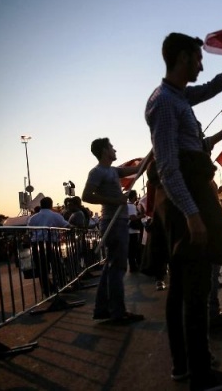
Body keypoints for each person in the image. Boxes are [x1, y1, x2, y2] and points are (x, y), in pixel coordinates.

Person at [145, 32, 222, 390]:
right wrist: (193, 214)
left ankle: (183, 365)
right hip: (187, 199)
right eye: (197, 58)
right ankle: (201, 374)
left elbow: (212, 87)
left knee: (181, 287)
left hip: (189, 195)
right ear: (182, 58)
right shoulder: (165, 102)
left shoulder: (177, 95)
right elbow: (167, 166)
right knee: (194, 290)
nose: (201, 64)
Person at [82, 137, 145, 324]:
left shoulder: (113, 171)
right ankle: (118, 312)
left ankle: (102, 309)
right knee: (117, 268)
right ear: (103, 150)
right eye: (111, 147)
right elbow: (86, 195)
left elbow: (136, 170)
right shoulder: (97, 171)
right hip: (113, 222)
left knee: (111, 267)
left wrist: (148, 158)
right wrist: (115, 201)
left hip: (118, 221)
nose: (114, 149)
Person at [27, 196, 70, 297]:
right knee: (57, 265)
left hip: (37, 244)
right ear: (51, 204)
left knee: (42, 268)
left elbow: (29, 230)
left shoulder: (33, 217)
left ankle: (46, 290)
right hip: (52, 243)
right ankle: (61, 286)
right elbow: (66, 225)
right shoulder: (56, 216)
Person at [127, 190, 144, 272]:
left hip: (132, 231)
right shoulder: (131, 206)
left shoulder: (130, 205)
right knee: (133, 250)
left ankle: (134, 265)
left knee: (133, 250)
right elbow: (132, 217)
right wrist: (141, 216)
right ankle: (133, 267)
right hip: (132, 231)